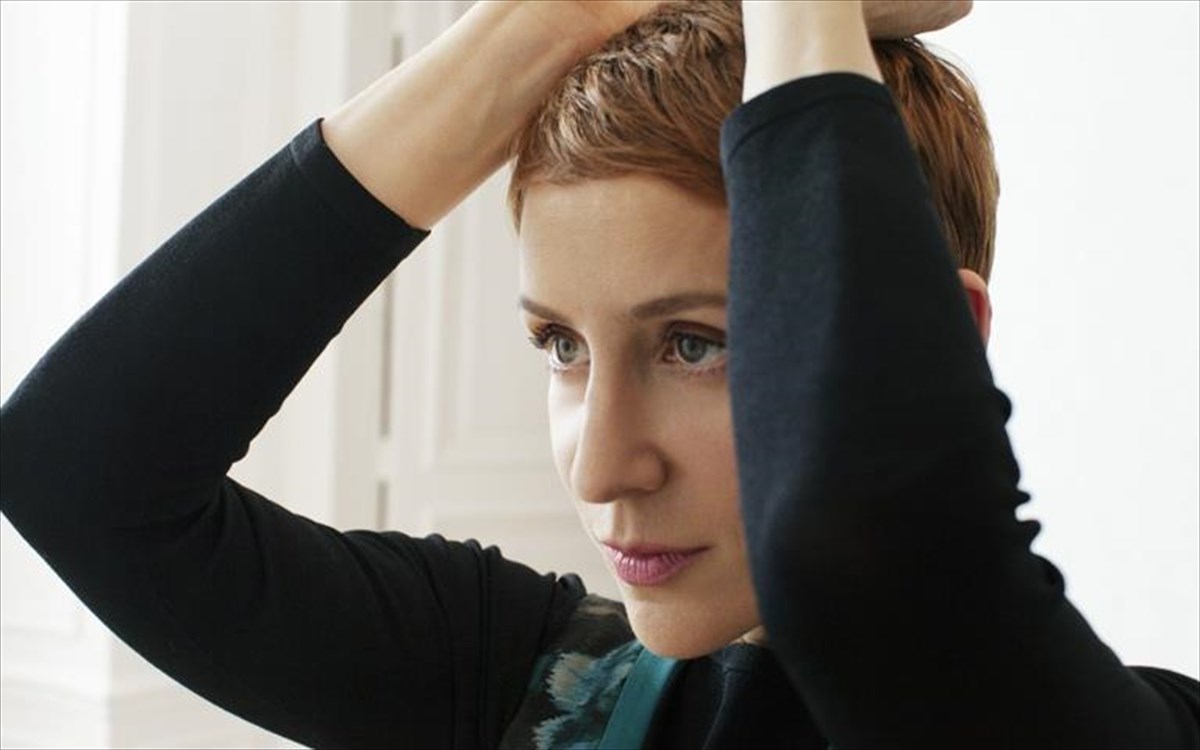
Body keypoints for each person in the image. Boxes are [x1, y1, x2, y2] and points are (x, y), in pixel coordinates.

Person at [0, 1, 1196, 749]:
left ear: (943, 337)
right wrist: (553, 18)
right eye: (562, 346)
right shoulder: (530, 685)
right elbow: (81, 474)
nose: (600, 465)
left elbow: (854, 553)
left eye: (694, 344)